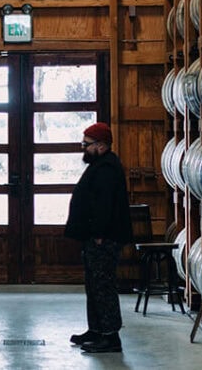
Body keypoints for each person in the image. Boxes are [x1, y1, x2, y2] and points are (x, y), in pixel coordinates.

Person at [64, 122, 132, 354]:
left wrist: (99, 234)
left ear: (101, 146)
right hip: (95, 237)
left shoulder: (107, 168)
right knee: (93, 285)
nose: (83, 148)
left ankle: (110, 337)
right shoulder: (100, 164)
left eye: (87, 144)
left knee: (103, 286)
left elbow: (103, 205)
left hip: (103, 238)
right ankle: (96, 330)